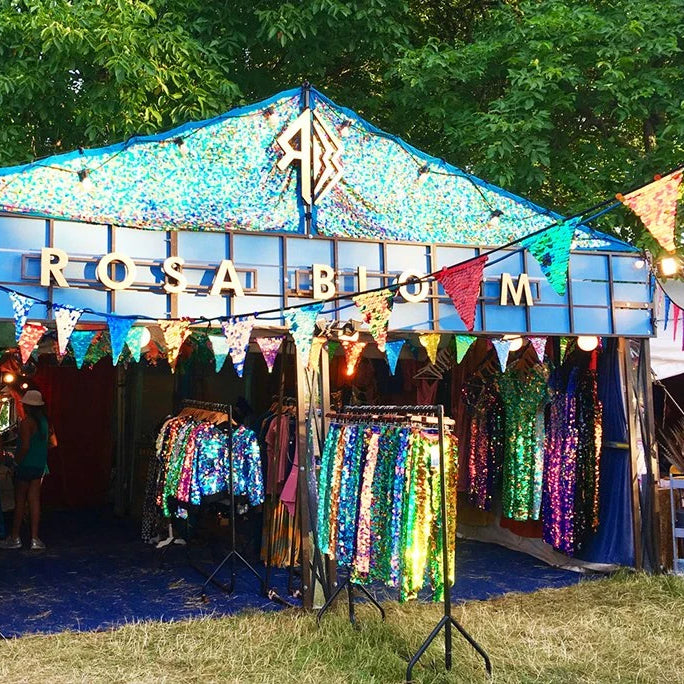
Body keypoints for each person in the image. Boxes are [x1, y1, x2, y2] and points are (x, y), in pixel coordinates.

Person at [0, 390, 51, 550]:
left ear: (28, 406)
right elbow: (51, 443)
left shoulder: (26, 423)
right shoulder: (45, 422)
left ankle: (15, 537)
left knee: (20, 500)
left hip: (25, 465)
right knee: (35, 501)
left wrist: (15, 463)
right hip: (39, 465)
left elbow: (25, 447)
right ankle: (35, 538)